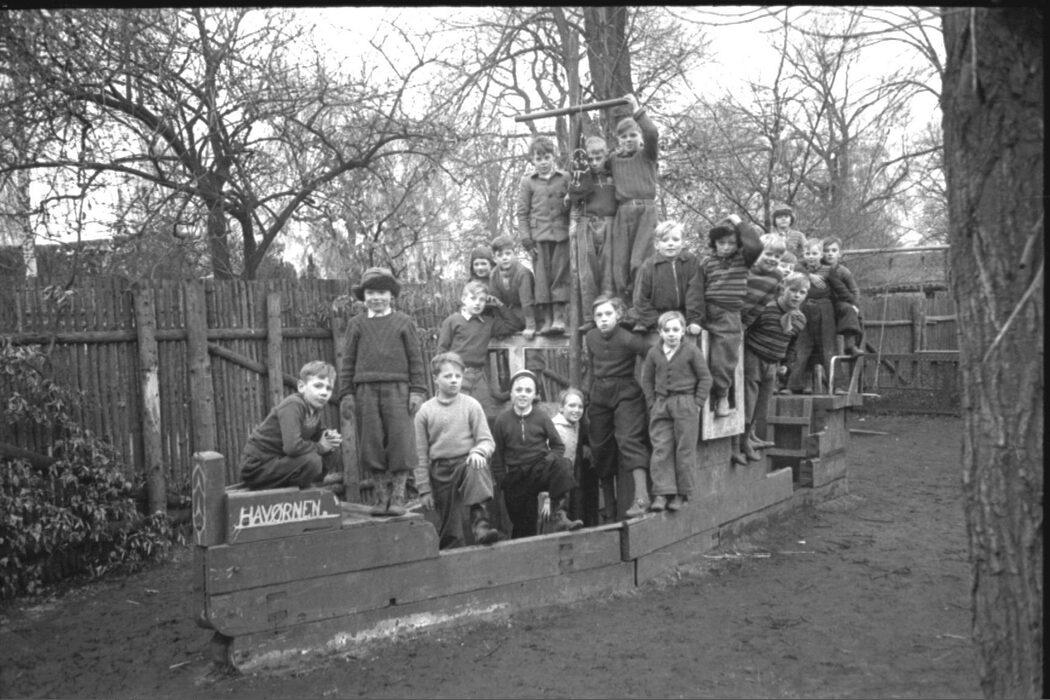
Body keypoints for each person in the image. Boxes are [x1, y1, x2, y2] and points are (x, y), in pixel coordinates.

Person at [337, 267, 427, 516]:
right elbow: (348, 361)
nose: (376, 298)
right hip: (365, 390)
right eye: (371, 293)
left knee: (400, 441)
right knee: (371, 442)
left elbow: (415, 359)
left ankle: (398, 497)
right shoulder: (356, 324)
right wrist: (346, 394)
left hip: (398, 389)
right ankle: (380, 497)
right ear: (363, 296)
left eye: (382, 292)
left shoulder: (404, 322)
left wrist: (417, 391)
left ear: (391, 295)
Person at [413, 352, 503, 549]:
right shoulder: (425, 411)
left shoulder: (471, 405)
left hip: (466, 464)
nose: (454, 380)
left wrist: (479, 452)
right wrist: (424, 489)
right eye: (448, 376)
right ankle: (451, 555)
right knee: (451, 529)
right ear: (436, 379)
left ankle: (481, 525)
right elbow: (419, 455)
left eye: (458, 376)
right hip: (441, 471)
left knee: (477, 465)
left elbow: (486, 441)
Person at [491, 370, 584, 538]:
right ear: (511, 393)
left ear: (534, 395)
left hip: (539, 469)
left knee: (564, 464)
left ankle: (558, 516)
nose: (523, 394)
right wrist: (503, 481)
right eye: (518, 390)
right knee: (523, 527)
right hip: (517, 476)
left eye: (528, 391)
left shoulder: (541, 417)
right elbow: (497, 456)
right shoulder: (502, 421)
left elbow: (558, 446)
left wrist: (548, 460)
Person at [583, 294, 652, 519]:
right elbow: (591, 367)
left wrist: (653, 387)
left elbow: (652, 354)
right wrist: (587, 395)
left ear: (618, 315)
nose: (603, 319)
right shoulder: (590, 337)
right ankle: (609, 509)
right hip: (599, 394)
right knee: (599, 446)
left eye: (608, 314)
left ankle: (642, 498)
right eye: (599, 315)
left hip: (626, 393)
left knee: (629, 440)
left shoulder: (628, 339)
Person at [690, 215, 763, 417]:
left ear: (738, 245)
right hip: (708, 311)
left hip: (729, 315)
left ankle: (722, 395)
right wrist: (695, 318)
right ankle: (697, 400)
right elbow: (696, 291)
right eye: (721, 243)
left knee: (723, 359)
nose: (726, 247)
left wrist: (739, 222)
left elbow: (756, 246)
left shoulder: (743, 259)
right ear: (714, 243)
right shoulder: (706, 262)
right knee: (699, 355)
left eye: (731, 243)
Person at [639, 311, 712, 512]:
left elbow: (705, 378)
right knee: (661, 447)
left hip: (686, 404)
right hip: (661, 404)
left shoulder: (691, 351)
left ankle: (682, 493)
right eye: (667, 330)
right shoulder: (654, 353)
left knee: (684, 449)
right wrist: (652, 403)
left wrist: (697, 403)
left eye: (675, 329)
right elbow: (647, 380)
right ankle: (662, 493)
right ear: (660, 332)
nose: (671, 334)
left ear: (682, 332)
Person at [738, 273, 809, 465]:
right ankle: (742, 443)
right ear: (783, 288)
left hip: (773, 365)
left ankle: (750, 436)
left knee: (762, 405)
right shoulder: (766, 308)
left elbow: (792, 345)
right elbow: (746, 330)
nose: (796, 295)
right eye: (793, 290)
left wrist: (786, 364)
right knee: (748, 403)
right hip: (753, 358)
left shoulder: (800, 319)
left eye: (802, 292)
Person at [240, 361, 342, 491]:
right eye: (318, 386)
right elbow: (292, 447)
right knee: (312, 460)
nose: (324, 392)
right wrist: (321, 447)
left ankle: (302, 486)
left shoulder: (314, 410)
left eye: (329, 388)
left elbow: (316, 433)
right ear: (301, 386)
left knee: (332, 451)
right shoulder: (294, 405)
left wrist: (328, 437)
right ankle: (296, 490)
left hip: (280, 462)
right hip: (257, 467)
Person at [436, 280, 516, 421]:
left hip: (479, 377)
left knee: (485, 416)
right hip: (457, 375)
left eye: (482, 300)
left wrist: (499, 304)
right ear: (463, 299)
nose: (477, 303)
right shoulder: (452, 321)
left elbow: (513, 324)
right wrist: (447, 376)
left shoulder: (488, 322)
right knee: (456, 417)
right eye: (473, 298)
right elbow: (442, 351)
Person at [608, 93, 660, 305]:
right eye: (623, 137)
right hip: (623, 213)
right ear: (618, 140)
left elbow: (652, 132)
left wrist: (637, 109)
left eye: (632, 135)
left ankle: (641, 306)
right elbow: (592, 168)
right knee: (619, 263)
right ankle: (623, 307)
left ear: (640, 137)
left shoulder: (647, 155)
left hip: (646, 212)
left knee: (640, 261)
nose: (628, 140)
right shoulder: (613, 160)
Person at [516, 136, 571, 335]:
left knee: (560, 276)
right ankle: (547, 320)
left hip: (562, 236)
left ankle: (559, 318)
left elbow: (573, 205)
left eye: (547, 157)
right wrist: (526, 239)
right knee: (542, 280)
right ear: (532, 160)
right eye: (538, 158)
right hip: (538, 239)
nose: (543, 162)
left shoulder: (564, 178)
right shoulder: (527, 182)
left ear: (553, 157)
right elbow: (522, 213)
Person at [567, 135, 617, 331]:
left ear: (606, 156)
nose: (595, 163)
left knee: (608, 270)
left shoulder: (613, 176)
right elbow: (572, 201)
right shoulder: (581, 177)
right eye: (591, 159)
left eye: (599, 158)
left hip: (610, 223)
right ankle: (590, 316)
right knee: (586, 272)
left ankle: (609, 314)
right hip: (587, 223)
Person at [630, 220, 703, 335]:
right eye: (665, 240)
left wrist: (694, 320)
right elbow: (640, 299)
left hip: (684, 316)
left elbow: (695, 294)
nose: (670, 244)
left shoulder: (691, 262)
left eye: (676, 239)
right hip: (657, 317)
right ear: (656, 244)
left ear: (683, 242)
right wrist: (656, 322)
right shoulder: (649, 266)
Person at [787, 238, 836, 394]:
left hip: (825, 310)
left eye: (815, 253)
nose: (811, 256)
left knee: (828, 348)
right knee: (802, 347)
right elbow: (796, 266)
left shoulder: (829, 270)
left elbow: (839, 289)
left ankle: (837, 386)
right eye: (808, 253)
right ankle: (794, 385)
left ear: (821, 254)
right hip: (805, 309)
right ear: (803, 254)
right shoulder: (799, 269)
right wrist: (809, 276)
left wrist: (852, 304)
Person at [488, 234, 538, 339]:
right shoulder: (493, 274)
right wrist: (500, 326)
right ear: (494, 258)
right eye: (500, 255)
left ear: (514, 254)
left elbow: (527, 301)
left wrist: (530, 327)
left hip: (529, 313)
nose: (505, 258)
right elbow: (496, 301)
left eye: (508, 253)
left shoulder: (523, 273)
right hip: (509, 315)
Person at [821, 237, 865, 357]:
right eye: (826, 250)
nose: (830, 253)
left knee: (851, 311)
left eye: (834, 250)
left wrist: (854, 305)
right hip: (822, 302)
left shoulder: (843, 271)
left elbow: (854, 291)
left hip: (838, 303)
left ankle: (850, 345)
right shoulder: (818, 268)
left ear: (839, 253)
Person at [740, 234, 787, 330]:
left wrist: (745, 324)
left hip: (739, 320)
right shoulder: (744, 268)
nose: (773, 258)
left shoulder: (776, 276)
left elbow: (761, 304)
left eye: (777, 256)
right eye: (768, 254)